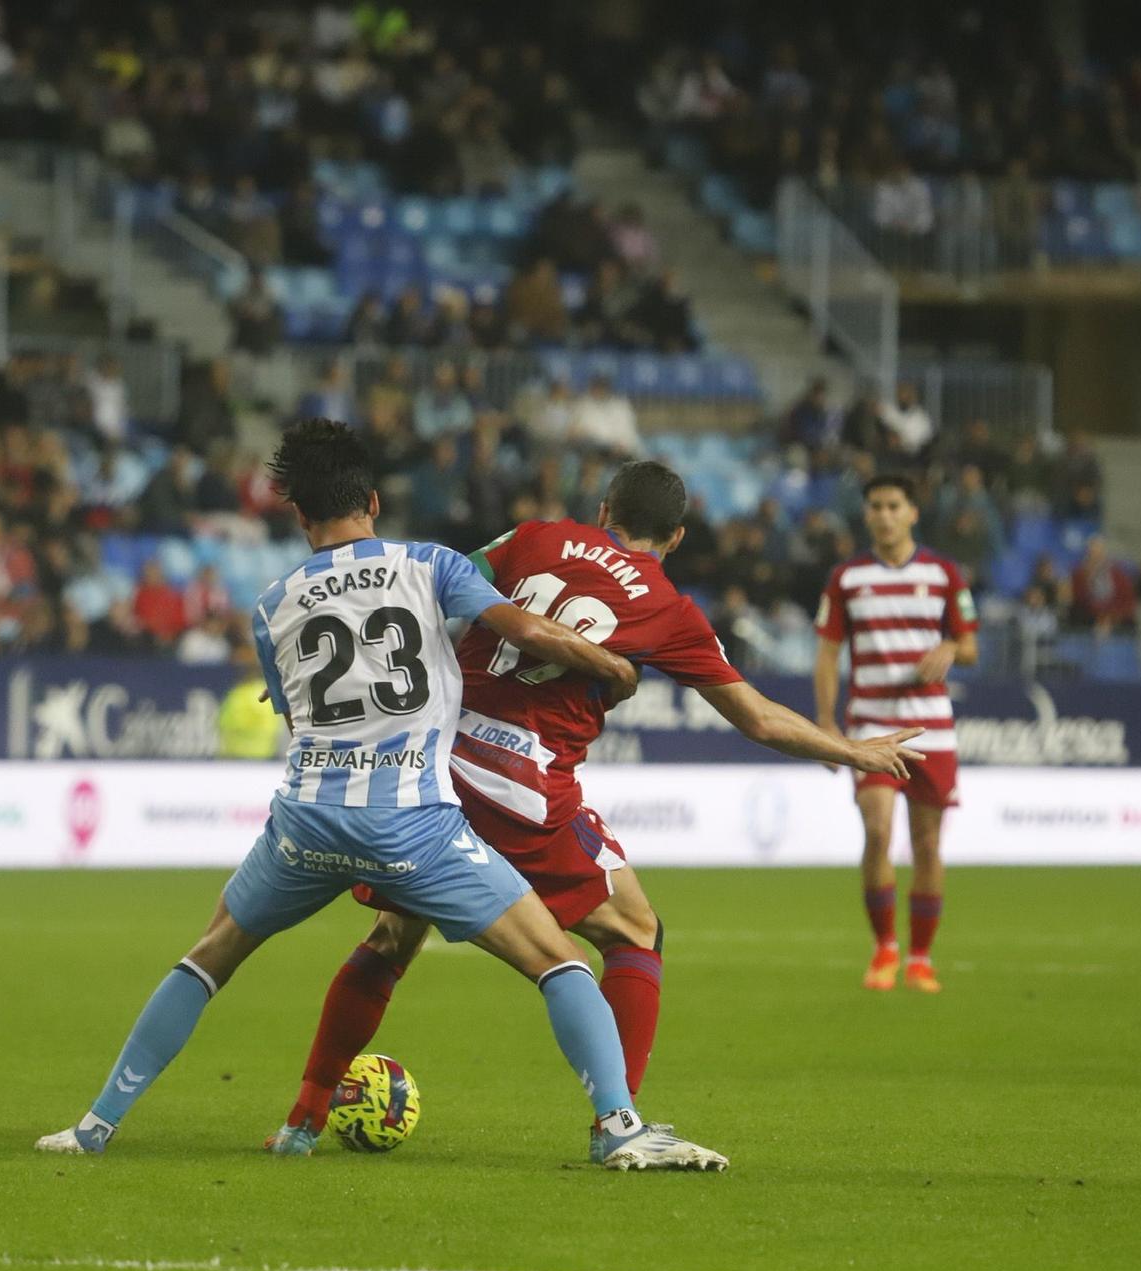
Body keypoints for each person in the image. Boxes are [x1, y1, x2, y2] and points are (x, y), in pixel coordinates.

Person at [36, 421, 729, 1171]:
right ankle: (620, 1127)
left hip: (302, 827)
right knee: (561, 962)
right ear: (372, 499)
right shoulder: (427, 564)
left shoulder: (271, 607)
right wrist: (614, 670)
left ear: (299, 517)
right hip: (413, 827)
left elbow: (296, 710)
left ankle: (96, 1124)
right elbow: (523, 626)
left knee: (207, 959)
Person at [269, 461, 923, 1146]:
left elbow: (417, 591)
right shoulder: (671, 609)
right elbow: (758, 719)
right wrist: (854, 750)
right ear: (675, 536)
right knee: (635, 929)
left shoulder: (534, 537)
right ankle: (619, 1118)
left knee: (391, 937)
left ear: (604, 510)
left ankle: (306, 1114)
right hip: (522, 791)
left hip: (426, 771)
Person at [813, 475, 979, 993]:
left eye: (893, 506)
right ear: (866, 515)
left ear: (912, 513)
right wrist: (825, 723)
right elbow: (827, 653)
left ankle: (921, 957)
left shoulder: (944, 573)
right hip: (871, 727)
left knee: (927, 845)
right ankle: (885, 946)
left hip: (932, 731)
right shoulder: (846, 579)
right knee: (879, 828)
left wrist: (951, 650)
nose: (884, 515)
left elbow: (970, 645)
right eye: (876, 507)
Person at [217, 638, 288, 760]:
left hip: (238, 757)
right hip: (263, 756)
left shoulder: (238, 694)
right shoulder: (270, 694)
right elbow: (277, 727)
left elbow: (223, 723)